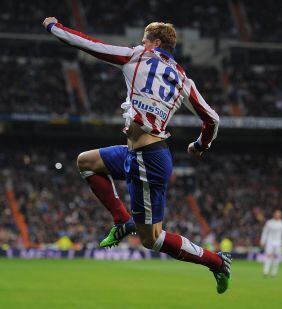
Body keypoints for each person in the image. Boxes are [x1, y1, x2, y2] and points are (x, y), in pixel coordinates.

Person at [43, 17, 231, 293]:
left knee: (151, 239)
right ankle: (121, 220)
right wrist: (200, 145)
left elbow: (88, 44)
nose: (141, 43)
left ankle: (217, 262)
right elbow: (212, 119)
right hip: (138, 153)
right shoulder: (183, 80)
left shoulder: (136, 56)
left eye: (145, 39)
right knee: (86, 161)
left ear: (154, 42)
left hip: (148, 159)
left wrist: (53, 27)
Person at [260, 210, 282, 277]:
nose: (277, 215)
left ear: (280, 215)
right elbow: (265, 232)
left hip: (278, 242)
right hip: (269, 242)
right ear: (274, 214)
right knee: (268, 256)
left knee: (276, 258)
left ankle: (274, 273)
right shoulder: (269, 222)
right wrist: (262, 241)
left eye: (279, 214)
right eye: (276, 214)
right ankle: (265, 272)